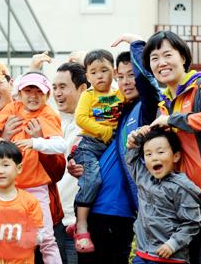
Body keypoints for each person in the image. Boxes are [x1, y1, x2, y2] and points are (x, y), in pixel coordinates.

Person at [133, 30, 201, 263]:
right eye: (154, 59)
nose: (161, 63)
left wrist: (173, 120)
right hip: (185, 200)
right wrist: (139, 138)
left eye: (167, 55)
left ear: (183, 57)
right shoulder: (163, 104)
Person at [69, 35, 161, 264]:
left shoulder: (144, 110)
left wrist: (138, 44)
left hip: (117, 211)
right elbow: (94, 136)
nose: (127, 81)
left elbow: (150, 86)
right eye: (121, 77)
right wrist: (75, 157)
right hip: (93, 210)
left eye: (132, 75)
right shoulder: (120, 108)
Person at [0, 60, 66, 264]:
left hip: (45, 215)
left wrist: (39, 142)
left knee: (48, 245)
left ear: (10, 83)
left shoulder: (41, 114)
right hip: (6, 224)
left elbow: (57, 173)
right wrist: (3, 143)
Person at [30, 60, 88, 264]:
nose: (57, 93)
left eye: (63, 87)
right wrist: (34, 69)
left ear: (82, 88)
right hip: (48, 220)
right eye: (54, 87)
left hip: (76, 223)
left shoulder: (93, 123)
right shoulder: (49, 119)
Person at [69, 50, 124, 253]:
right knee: (93, 179)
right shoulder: (88, 95)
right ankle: (81, 223)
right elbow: (80, 119)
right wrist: (105, 131)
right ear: (87, 76)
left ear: (114, 72)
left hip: (109, 146)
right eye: (94, 72)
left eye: (104, 70)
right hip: (89, 145)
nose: (100, 75)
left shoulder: (119, 95)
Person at [126, 127, 201, 264]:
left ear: (176, 156)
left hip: (170, 258)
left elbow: (191, 223)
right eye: (148, 154)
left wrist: (172, 245)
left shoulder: (181, 187)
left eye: (160, 152)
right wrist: (135, 140)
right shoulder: (144, 179)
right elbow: (132, 160)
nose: (154, 158)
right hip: (143, 254)